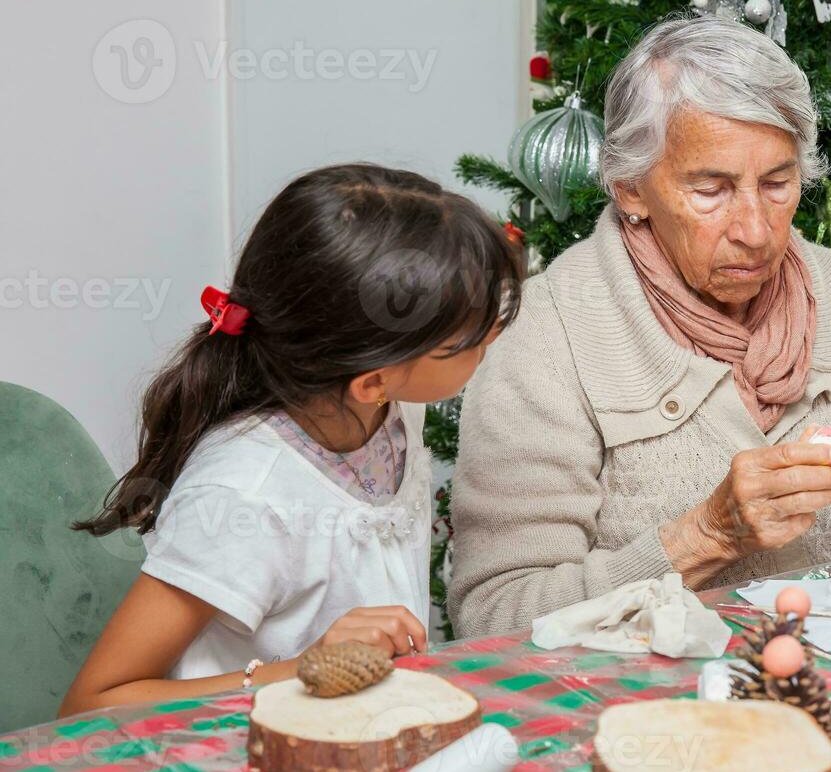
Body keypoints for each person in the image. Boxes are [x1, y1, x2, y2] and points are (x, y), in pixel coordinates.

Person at [449, 16, 831, 636]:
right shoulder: (550, 336)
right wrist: (704, 537)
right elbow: (494, 620)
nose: (755, 230)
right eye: (710, 190)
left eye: (777, 183)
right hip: (643, 717)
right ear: (629, 188)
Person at [59, 164, 522, 715]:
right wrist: (304, 669)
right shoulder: (245, 494)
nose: (493, 333)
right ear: (373, 379)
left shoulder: (391, 413)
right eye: (469, 339)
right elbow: (93, 704)